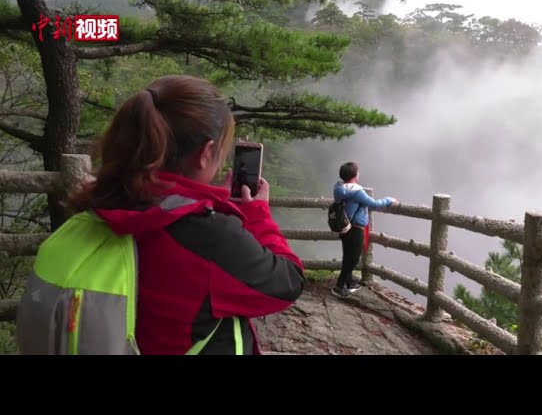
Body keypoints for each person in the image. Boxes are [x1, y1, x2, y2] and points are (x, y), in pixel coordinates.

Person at [19, 75, 305, 355]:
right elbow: (287, 282)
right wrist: (256, 214)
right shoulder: (209, 235)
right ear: (205, 153)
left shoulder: (100, 206)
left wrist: (201, 196)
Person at [331, 162, 396, 299]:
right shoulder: (357, 192)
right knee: (353, 258)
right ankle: (339, 286)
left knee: (348, 256)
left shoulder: (339, 189)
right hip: (354, 229)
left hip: (344, 226)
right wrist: (389, 199)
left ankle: (349, 282)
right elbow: (375, 204)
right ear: (355, 175)